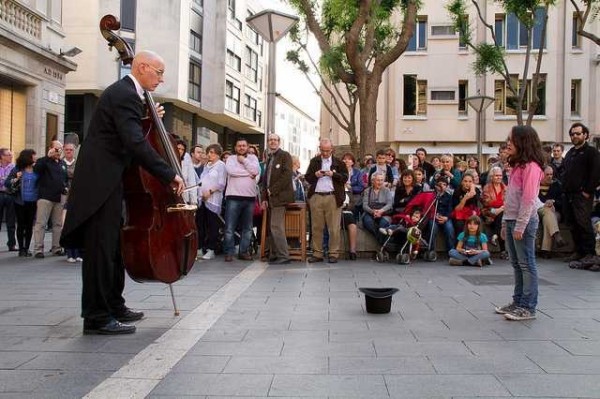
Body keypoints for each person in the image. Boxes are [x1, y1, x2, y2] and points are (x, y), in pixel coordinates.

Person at [61, 50, 185, 335]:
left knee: (113, 250)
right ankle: (96, 316)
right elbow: (134, 143)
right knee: (100, 251)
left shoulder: (129, 96)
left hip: (110, 182)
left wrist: (147, 114)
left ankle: (114, 305)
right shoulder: (125, 94)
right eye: (158, 72)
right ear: (141, 67)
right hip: (100, 184)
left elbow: (127, 133)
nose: (161, 78)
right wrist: (169, 173)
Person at [495, 125, 545, 321]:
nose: (508, 143)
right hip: (511, 219)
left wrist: (520, 225)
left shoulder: (532, 167)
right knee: (516, 263)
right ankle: (518, 301)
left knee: (526, 263)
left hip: (523, 221)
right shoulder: (517, 166)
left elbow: (528, 199)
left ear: (522, 142)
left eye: (511, 139)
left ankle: (528, 306)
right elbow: (511, 198)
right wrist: (505, 222)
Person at [560, 122, 600, 264]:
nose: (575, 136)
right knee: (572, 224)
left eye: (578, 133)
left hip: (581, 195)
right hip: (568, 194)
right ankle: (578, 251)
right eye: (572, 134)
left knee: (583, 223)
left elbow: (596, 173)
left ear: (585, 135)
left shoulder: (591, 152)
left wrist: (587, 191)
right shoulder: (570, 153)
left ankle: (589, 253)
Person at [305, 138, 348, 263]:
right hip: (317, 196)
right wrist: (316, 175)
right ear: (320, 149)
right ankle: (317, 253)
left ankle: (333, 253)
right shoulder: (314, 161)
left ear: (332, 149)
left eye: (327, 151)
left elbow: (345, 178)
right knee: (316, 227)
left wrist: (332, 174)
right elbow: (308, 178)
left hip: (333, 197)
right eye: (323, 150)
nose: (325, 153)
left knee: (334, 227)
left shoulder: (339, 162)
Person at [223, 138, 260, 262]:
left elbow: (255, 171)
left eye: (244, 145)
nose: (241, 147)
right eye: (239, 146)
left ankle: (243, 252)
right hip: (233, 197)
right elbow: (231, 172)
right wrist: (248, 173)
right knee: (229, 227)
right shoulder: (230, 159)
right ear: (235, 147)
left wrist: (244, 161)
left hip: (249, 198)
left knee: (248, 228)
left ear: (247, 146)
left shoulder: (253, 158)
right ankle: (229, 252)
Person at [261, 133, 294, 265]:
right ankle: (274, 254)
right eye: (270, 140)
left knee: (276, 226)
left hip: (280, 197)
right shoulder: (269, 158)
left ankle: (284, 256)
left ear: (279, 142)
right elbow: (265, 180)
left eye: (275, 140)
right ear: (268, 143)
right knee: (272, 226)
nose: (273, 142)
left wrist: (271, 190)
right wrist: (264, 197)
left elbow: (287, 176)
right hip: (270, 198)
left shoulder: (284, 155)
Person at [33, 141, 67, 258]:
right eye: (57, 149)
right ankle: (38, 249)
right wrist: (48, 157)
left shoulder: (62, 163)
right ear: (51, 149)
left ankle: (56, 247)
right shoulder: (44, 161)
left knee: (57, 224)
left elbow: (64, 178)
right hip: (45, 197)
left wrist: (65, 188)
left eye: (61, 149)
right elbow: (37, 169)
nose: (59, 151)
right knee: (41, 223)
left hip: (59, 197)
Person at [4, 149, 37, 257]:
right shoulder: (18, 169)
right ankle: (21, 249)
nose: (35, 158)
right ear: (28, 157)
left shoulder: (37, 169)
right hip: (20, 201)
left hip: (33, 201)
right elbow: (7, 182)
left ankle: (26, 248)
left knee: (29, 226)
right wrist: (16, 178)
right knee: (21, 225)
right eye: (33, 156)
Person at [197, 143, 226, 260]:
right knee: (200, 224)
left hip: (212, 199)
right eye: (208, 152)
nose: (209, 154)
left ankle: (211, 249)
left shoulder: (221, 165)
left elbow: (221, 183)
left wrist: (209, 191)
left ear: (218, 154)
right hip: (202, 199)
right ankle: (200, 247)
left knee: (212, 225)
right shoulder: (206, 165)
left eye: (212, 152)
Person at [537, 165, 565, 258]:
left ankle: (545, 250)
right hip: (537, 211)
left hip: (554, 212)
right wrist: (545, 204)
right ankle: (556, 236)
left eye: (551, 174)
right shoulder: (535, 185)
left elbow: (562, 202)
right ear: (541, 175)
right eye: (547, 174)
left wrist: (553, 202)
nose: (549, 176)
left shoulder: (557, 185)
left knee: (548, 216)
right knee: (548, 212)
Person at [481, 166, 507, 258]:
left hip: (501, 214)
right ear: (491, 177)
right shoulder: (487, 187)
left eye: (500, 175)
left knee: (501, 216)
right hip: (489, 213)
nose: (499, 177)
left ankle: (496, 235)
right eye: (496, 175)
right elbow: (487, 202)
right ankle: (503, 250)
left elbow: (508, 201)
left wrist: (500, 208)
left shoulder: (505, 188)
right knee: (501, 216)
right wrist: (501, 207)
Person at [62, 143, 82, 263]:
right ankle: (69, 252)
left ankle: (78, 253)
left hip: (77, 196)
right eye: (67, 149)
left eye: (71, 149)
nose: (69, 151)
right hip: (65, 195)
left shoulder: (79, 163)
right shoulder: (60, 163)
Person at [361, 173, 393, 244]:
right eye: (378, 180)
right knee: (368, 222)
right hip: (370, 212)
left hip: (384, 212)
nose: (380, 182)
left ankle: (380, 242)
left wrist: (381, 211)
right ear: (373, 181)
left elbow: (389, 204)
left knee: (383, 223)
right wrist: (373, 212)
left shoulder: (387, 190)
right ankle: (381, 241)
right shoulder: (367, 190)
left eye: (382, 180)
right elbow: (365, 205)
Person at [0, 148, 17, 251]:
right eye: (8, 155)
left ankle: (12, 244)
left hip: (11, 194)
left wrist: (5, 180)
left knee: (11, 221)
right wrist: (7, 180)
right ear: (2, 156)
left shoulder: (14, 167)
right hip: (0, 194)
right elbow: (8, 181)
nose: (11, 156)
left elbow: (14, 182)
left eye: (11, 155)